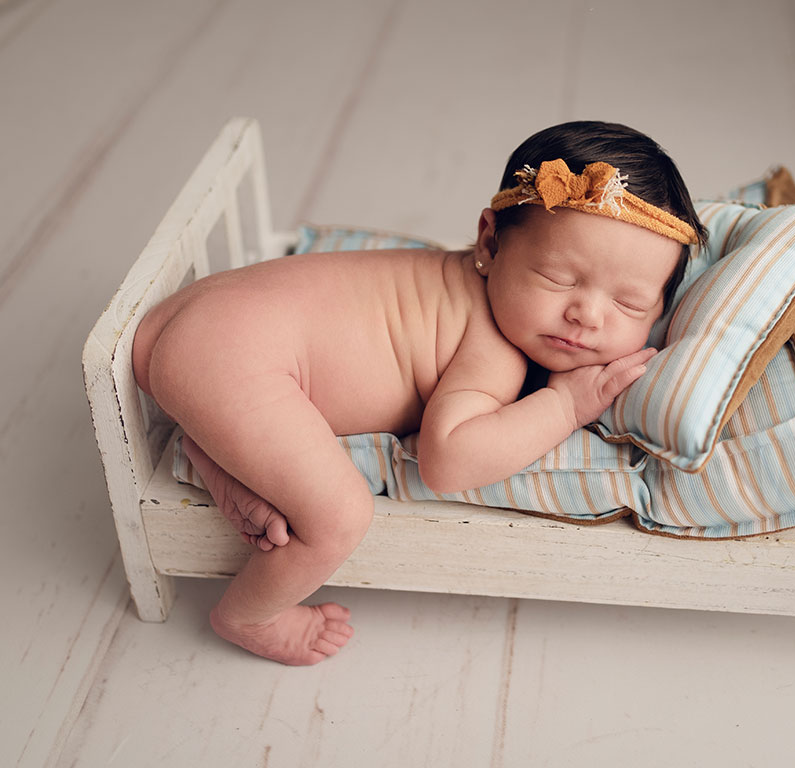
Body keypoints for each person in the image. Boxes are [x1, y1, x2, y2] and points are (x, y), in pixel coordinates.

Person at [132, 121, 708, 665]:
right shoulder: (494, 348)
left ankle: (212, 448)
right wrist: (565, 404)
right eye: (558, 278)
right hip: (231, 354)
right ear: (491, 242)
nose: (586, 314)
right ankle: (248, 617)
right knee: (338, 515)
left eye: (630, 304)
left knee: (261, 420)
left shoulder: (463, 280)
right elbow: (446, 460)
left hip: (197, 326)